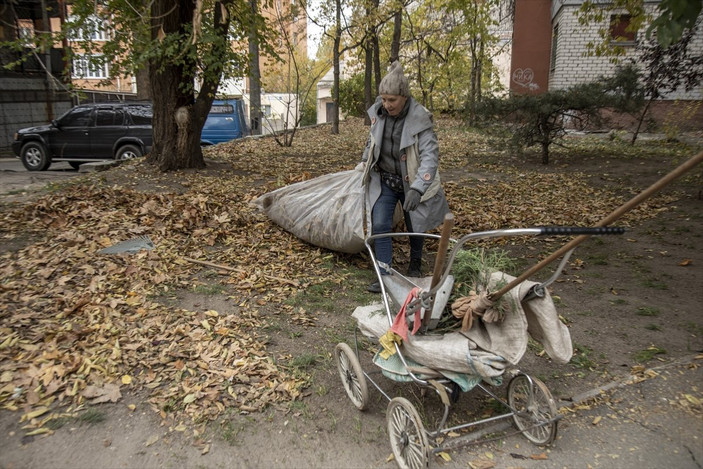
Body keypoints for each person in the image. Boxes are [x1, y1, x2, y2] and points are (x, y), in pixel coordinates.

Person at [360, 61, 450, 293]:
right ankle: (384, 274)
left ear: (405, 97)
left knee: (415, 224)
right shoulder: (379, 114)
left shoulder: (421, 120)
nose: (386, 104)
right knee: (380, 224)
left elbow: (430, 157)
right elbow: (373, 141)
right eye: (383, 99)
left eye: (392, 100)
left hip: (412, 182)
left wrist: (418, 188)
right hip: (386, 181)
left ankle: (415, 264)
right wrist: (364, 161)